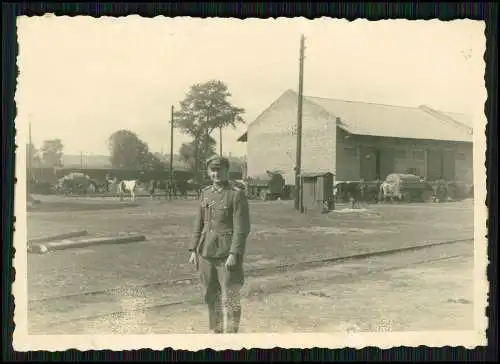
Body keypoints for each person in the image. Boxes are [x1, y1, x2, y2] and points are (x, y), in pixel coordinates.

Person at [188, 155, 251, 334]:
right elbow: (199, 222)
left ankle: (231, 337)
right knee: (210, 295)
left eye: (219, 170)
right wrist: (193, 248)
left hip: (227, 254)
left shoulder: (236, 194)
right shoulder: (206, 193)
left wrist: (234, 253)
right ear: (208, 172)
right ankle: (216, 332)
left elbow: (242, 228)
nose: (216, 173)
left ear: (226, 171)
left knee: (230, 297)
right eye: (212, 170)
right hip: (206, 252)